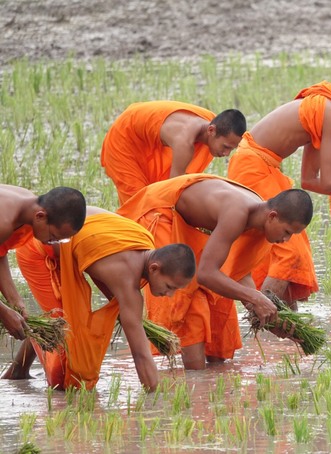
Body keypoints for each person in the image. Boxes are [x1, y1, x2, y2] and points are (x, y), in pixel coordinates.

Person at [227, 56, 331, 306]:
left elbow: (310, 181)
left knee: (287, 246)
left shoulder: (325, 106)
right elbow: (330, 180)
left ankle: (286, 328)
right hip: (253, 166)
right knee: (290, 250)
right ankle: (264, 315)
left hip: (259, 165)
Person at [117, 174, 313, 369]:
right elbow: (206, 274)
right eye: (287, 232)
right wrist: (256, 299)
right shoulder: (237, 213)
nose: (286, 240)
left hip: (192, 228)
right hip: (162, 214)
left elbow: (237, 273)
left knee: (220, 306)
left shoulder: (259, 220)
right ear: (272, 216)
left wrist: (271, 319)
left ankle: (210, 384)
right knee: (190, 302)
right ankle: (195, 380)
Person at [2, 208, 196, 391]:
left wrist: (132, 319)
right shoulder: (125, 277)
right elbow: (140, 354)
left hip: (66, 246)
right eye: (169, 287)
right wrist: (155, 400)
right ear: (154, 268)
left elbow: (94, 253)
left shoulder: (144, 244)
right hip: (38, 251)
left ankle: (18, 371)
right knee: (65, 375)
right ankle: (25, 358)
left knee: (63, 320)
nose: (169, 294)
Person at [100, 100, 247, 204]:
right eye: (226, 147)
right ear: (211, 130)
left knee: (155, 193)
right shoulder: (184, 143)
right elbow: (172, 193)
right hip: (123, 138)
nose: (227, 154)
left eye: (231, 149)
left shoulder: (212, 121)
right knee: (139, 203)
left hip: (144, 134)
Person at [0, 185, 86, 340]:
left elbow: (0, 250)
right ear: (40, 216)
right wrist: (4, 312)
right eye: (53, 236)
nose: (52, 243)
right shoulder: (4, 221)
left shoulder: (28, 208)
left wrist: (14, 300)